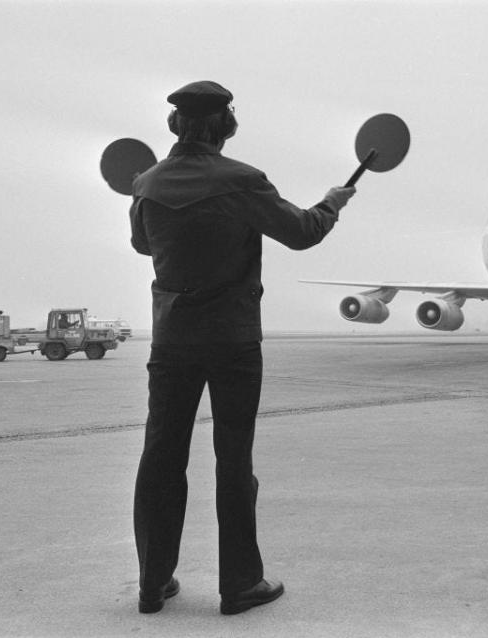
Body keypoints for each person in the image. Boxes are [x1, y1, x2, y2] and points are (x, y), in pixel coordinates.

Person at [129, 80, 355, 615]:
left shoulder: (146, 184)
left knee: (161, 457)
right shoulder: (242, 181)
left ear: (173, 126)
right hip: (232, 339)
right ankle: (240, 585)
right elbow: (302, 232)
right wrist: (332, 203)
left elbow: (142, 244)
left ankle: (152, 583)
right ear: (226, 127)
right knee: (233, 459)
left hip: (172, 339)